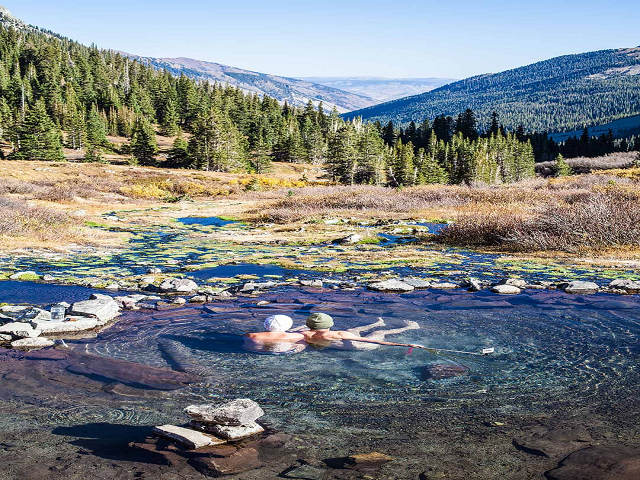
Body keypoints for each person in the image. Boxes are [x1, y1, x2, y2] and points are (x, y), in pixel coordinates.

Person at [245, 313, 424, 352]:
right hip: (361, 346)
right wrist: (406, 345)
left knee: (352, 330)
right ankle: (410, 327)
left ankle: (376, 322)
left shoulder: (303, 334)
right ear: (329, 324)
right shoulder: (337, 334)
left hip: (343, 341)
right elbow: (377, 343)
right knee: (382, 332)